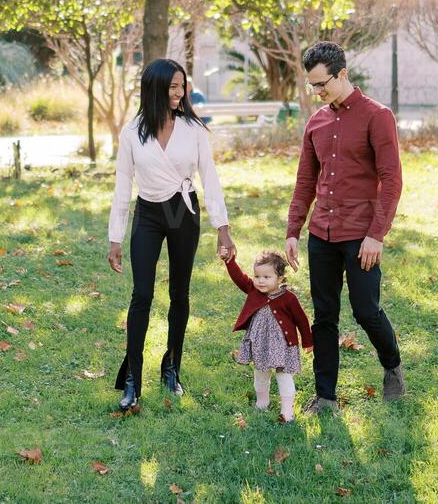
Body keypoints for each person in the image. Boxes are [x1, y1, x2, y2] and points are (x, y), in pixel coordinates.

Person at [107, 58, 236, 410]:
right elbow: (122, 184)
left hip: (183, 211)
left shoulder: (192, 129)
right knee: (142, 295)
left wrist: (222, 229)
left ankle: (172, 366)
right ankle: (132, 378)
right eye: (173, 87)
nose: (180, 93)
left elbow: (209, 177)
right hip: (148, 213)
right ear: (155, 88)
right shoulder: (133, 131)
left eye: (183, 86)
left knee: (180, 293)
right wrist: (115, 237)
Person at [285, 40, 404, 415]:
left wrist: (376, 235)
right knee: (324, 316)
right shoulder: (316, 122)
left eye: (323, 84)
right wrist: (293, 230)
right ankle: (325, 397)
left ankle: (392, 366)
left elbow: (392, 180)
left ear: (343, 74)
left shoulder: (377, 116)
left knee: (366, 310)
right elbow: (305, 182)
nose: (318, 92)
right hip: (322, 233)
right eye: (312, 86)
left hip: (360, 234)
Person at [221, 248, 313, 422]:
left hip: (283, 344)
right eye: (257, 276)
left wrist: (308, 341)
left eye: (266, 277)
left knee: (284, 375)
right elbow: (238, 277)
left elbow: (301, 320)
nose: (260, 281)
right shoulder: (253, 290)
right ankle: (262, 401)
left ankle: (287, 410)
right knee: (260, 374)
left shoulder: (289, 298)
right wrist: (229, 261)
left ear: (280, 278)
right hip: (260, 343)